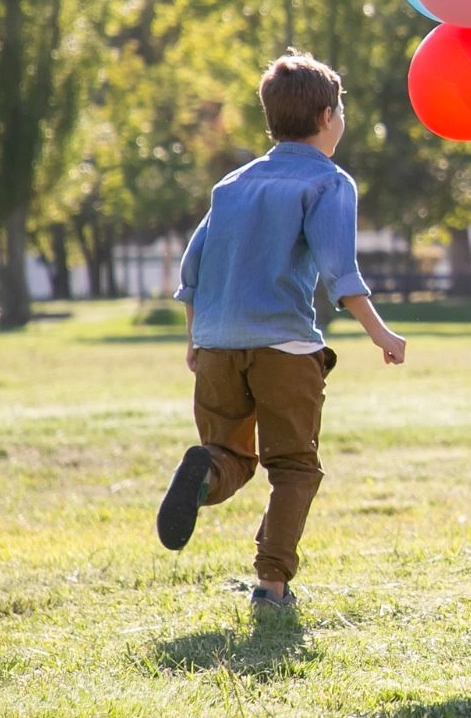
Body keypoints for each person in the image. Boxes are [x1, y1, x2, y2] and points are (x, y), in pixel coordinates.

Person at [155, 51, 408, 611]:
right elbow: (340, 272)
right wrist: (382, 334)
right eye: (341, 109)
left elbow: (191, 268)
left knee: (230, 455)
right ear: (326, 117)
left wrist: (195, 337)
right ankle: (270, 586)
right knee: (293, 466)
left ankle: (205, 472)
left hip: (219, 344)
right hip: (284, 348)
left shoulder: (233, 184)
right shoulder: (328, 182)